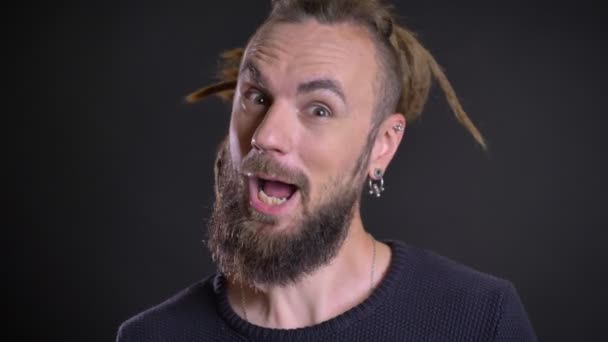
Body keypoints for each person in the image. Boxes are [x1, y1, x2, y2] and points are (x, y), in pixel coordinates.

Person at [116, 0, 537, 340]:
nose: (265, 136)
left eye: (319, 108)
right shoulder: (152, 335)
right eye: (257, 96)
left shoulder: (480, 320)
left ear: (381, 145)